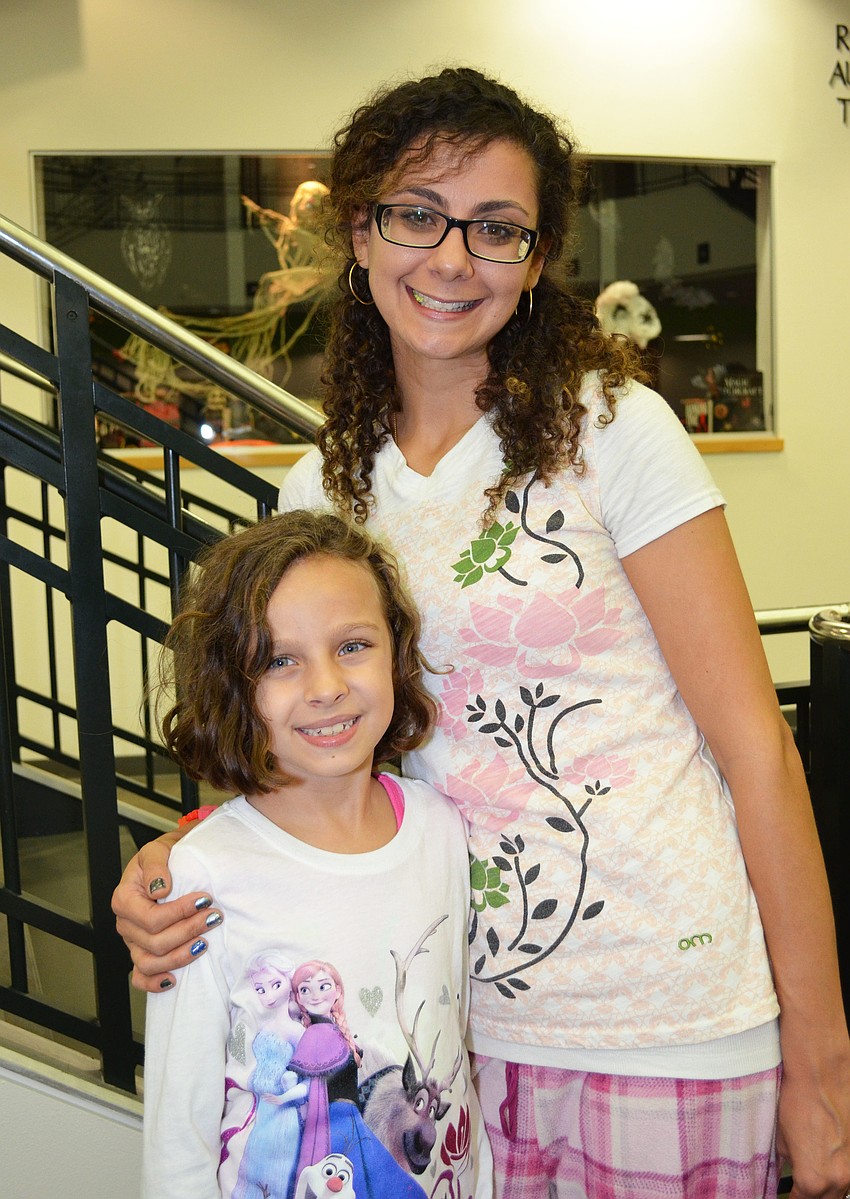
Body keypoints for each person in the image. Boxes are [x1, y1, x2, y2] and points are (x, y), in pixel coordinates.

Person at [115, 67, 850, 1199]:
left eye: (495, 228)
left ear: (538, 256)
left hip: (662, 1020)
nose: (452, 259)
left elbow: (758, 748)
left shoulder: (614, 430)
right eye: (417, 214)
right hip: (438, 1030)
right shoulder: (321, 483)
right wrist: (186, 858)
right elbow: (306, 740)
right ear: (359, 233)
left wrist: (823, 1055)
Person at [141, 510, 492, 1199]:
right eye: (279, 659)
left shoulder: (441, 828)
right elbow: (177, 1132)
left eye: (353, 645)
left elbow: (452, 1053)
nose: (326, 685)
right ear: (233, 687)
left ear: (395, 650)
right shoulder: (205, 872)